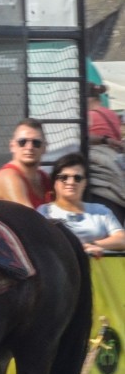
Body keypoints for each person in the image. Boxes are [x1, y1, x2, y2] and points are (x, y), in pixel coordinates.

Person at [37, 152, 125, 256]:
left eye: (77, 178)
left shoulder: (101, 211)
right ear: (54, 182)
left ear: (85, 183)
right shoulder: (43, 212)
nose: (71, 182)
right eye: (64, 177)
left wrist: (94, 245)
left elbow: (122, 239)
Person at [0, 119, 53, 208]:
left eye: (36, 143)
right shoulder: (8, 177)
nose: (29, 147)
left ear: (44, 148)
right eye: (22, 142)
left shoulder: (44, 178)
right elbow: (30, 217)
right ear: (12, 146)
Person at [85, 83, 125, 224]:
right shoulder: (111, 114)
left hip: (101, 166)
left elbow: (85, 137)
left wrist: (103, 139)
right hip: (116, 163)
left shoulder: (89, 116)